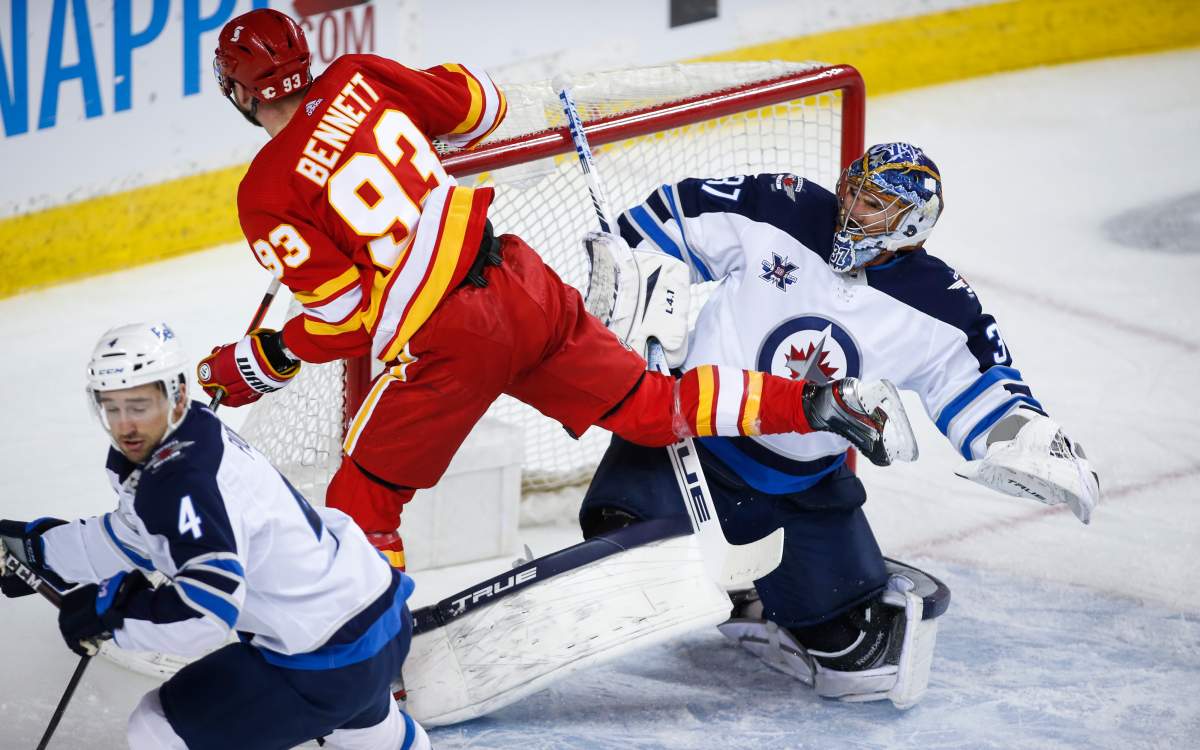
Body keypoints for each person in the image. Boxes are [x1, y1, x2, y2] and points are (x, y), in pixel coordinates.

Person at [196, 8, 920, 568]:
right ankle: (820, 401)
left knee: (364, 499)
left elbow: (345, 321)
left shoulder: (264, 192)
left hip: (448, 346)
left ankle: (368, 676)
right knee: (652, 406)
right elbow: (481, 108)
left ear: (235, 91)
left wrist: (260, 359)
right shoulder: (362, 75)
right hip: (518, 281)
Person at [579, 142, 1102, 708]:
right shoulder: (782, 207)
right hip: (688, 449)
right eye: (853, 188)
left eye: (875, 203)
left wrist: (1026, 439)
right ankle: (718, 573)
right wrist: (641, 279)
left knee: (854, 648)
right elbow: (665, 219)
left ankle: (753, 597)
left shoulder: (941, 305)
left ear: (912, 224)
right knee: (625, 550)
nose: (851, 208)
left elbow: (980, 387)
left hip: (802, 490)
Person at [0, 322, 429, 749]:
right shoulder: (191, 428)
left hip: (324, 661)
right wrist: (42, 553)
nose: (126, 425)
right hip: (379, 617)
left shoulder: (180, 479)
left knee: (158, 730)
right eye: (112, 408)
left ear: (176, 393)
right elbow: (137, 537)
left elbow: (205, 613)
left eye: (139, 405)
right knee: (372, 734)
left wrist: (110, 614)